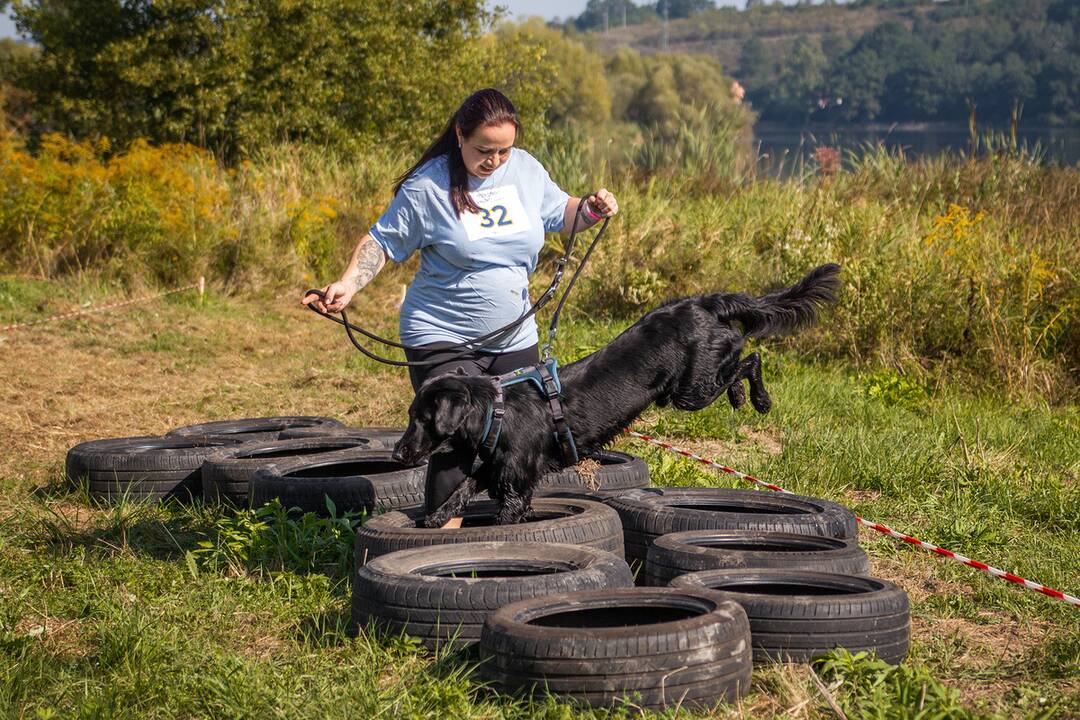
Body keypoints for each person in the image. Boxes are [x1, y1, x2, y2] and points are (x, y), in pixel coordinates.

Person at [302, 88, 618, 520]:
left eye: (504, 150)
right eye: (484, 150)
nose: (495, 161)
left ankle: (512, 540)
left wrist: (592, 209)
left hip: (514, 337)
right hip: (440, 334)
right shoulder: (427, 187)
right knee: (457, 436)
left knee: (516, 439)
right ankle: (444, 542)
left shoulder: (526, 170)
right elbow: (382, 242)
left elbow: (562, 213)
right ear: (459, 135)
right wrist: (347, 285)